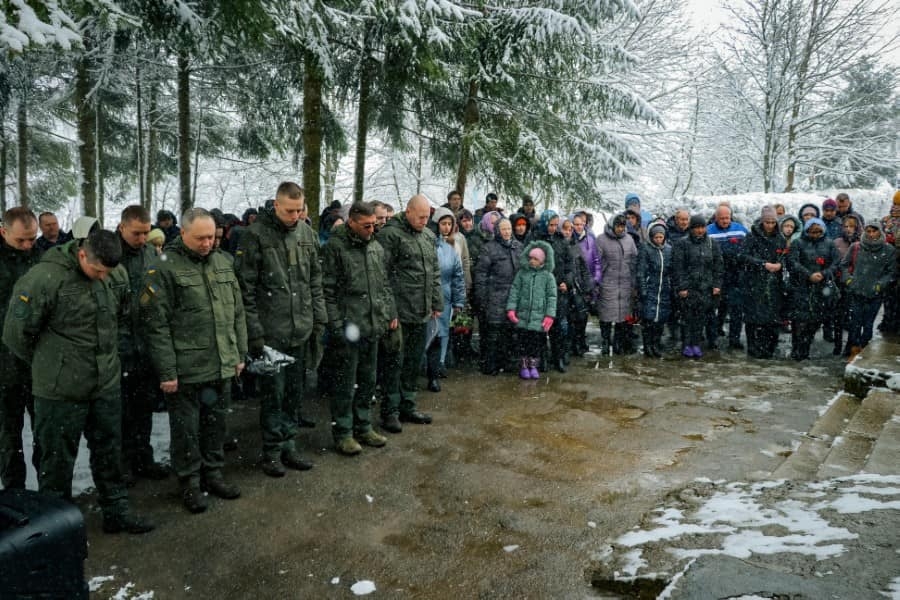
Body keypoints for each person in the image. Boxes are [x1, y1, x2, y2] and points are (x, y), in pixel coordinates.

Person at [3, 229, 153, 533]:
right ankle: (56, 528)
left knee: (109, 452)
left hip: (105, 384)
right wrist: (51, 363)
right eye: (97, 270)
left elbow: (122, 315)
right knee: (56, 462)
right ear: (82, 254)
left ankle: (116, 511)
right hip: (60, 391)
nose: (102, 277)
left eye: (107, 272)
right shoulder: (44, 278)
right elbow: (15, 335)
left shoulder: (115, 273)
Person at [141, 208, 247, 513]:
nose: (206, 243)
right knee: (186, 430)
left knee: (216, 425)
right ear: (183, 234)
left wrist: (238, 353)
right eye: (200, 237)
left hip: (220, 362)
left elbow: (236, 312)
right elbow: (155, 324)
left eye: (211, 237)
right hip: (186, 369)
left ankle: (213, 474)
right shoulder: (163, 268)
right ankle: (188, 482)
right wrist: (167, 370)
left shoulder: (223, 262)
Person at [235, 182, 325, 477]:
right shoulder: (255, 236)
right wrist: (254, 333)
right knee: (273, 395)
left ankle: (289, 445)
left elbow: (314, 281)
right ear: (275, 205)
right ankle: (272, 451)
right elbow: (245, 290)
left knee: (294, 394)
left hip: (301, 328)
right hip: (271, 333)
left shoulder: (307, 234)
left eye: (300, 210)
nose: (295, 216)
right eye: (289, 210)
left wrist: (318, 319)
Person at [321, 202, 395, 456]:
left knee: (367, 380)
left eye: (374, 225)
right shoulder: (335, 248)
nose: (372, 230)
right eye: (366, 226)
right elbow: (327, 291)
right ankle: (343, 432)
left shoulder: (375, 247)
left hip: (372, 326)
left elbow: (383, 285)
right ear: (351, 222)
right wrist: (336, 326)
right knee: (345, 384)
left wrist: (386, 315)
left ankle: (363, 426)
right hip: (348, 328)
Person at [377, 194, 443, 433]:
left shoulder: (427, 236)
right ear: (408, 211)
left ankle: (408, 404)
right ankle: (390, 411)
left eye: (428, 217)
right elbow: (381, 276)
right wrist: (390, 310)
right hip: (400, 313)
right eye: (421, 216)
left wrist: (437, 302)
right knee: (395, 363)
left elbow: (433, 272)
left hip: (421, 311)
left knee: (414, 361)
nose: (425, 221)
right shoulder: (390, 235)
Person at [117, 206, 169, 483]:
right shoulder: (110, 255)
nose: (141, 238)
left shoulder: (151, 254)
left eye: (146, 233)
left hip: (146, 346)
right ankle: (123, 465)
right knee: (121, 414)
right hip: (120, 346)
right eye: (136, 233)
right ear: (122, 227)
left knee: (144, 409)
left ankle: (143, 458)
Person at [0, 207, 41, 490]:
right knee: (8, 435)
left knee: (45, 432)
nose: (28, 246)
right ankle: (15, 494)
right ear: (3, 232)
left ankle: (50, 492)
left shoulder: (41, 259)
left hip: (38, 361)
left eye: (32, 239)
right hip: (4, 364)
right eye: (21, 241)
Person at [473, 217, 522, 375]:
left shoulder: (518, 247)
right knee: (493, 334)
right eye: (504, 229)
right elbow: (480, 276)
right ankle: (490, 365)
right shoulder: (489, 248)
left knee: (510, 333)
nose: (507, 232)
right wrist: (482, 299)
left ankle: (507, 363)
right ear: (497, 231)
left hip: (514, 297)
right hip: (495, 297)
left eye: (509, 229)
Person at [786, 218, 839, 361]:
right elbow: (792, 261)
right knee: (798, 320)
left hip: (820, 288)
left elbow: (836, 263)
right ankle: (796, 349)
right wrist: (808, 275)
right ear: (807, 230)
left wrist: (823, 274)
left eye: (818, 232)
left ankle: (805, 349)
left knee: (814, 321)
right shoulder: (798, 243)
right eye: (812, 231)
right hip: (801, 286)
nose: (815, 234)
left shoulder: (829, 244)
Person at [840, 223, 895, 358]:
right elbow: (843, 266)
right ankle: (853, 351)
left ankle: (864, 350)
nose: (871, 234)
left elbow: (891, 272)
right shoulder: (856, 247)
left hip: (875, 294)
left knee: (868, 323)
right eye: (868, 231)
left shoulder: (888, 250)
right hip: (856, 291)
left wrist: (879, 285)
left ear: (880, 232)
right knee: (855, 323)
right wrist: (849, 280)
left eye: (874, 231)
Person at [671, 215, 723, 358]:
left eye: (702, 227)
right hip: (689, 288)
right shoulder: (682, 244)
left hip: (705, 288)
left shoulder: (712, 244)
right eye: (697, 228)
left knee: (700, 318)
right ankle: (686, 344)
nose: (700, 230)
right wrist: (681, 287)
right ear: (691, 228)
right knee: (687, 318)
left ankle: (696, 344)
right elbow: (677, 268)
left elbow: (718, 266)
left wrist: (717, 284)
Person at [426, 208, 466, 392]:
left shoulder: (451, 249)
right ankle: (425, 367)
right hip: (425, 297)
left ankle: (437, 368)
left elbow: (458, 276)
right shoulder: (427, 246)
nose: (446, 227)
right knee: (427, 334)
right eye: (443, 223)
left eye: (449, 224)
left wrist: (459, 301)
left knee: (442, 333)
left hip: (446, 297)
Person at [740, 206, 786, 359]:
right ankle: (753, 348)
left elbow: (786, 257)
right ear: (762, 221)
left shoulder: (780, 238)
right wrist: (762, 264)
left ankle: (769, 348)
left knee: (772, 318)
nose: (770, 225)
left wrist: (780, 265)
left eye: (773, 222)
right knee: (753, 318)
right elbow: (744, 256)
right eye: (767, 222)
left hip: (774, 283)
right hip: (754, 281)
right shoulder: (751, 237)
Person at [506, 242, 557, 379]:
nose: (532, 261)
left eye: (535, 259)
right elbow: (515, 291)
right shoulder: (522, 273)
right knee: (523, 342)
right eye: (531, 258)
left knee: (535, 343)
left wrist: (549, 315)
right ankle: (523, 365)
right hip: (523, 315)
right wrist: (511, 309)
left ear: (542, 261)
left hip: (538, 317)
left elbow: (552, 297)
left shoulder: (548, 276)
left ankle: (533, 365)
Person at [532, 210, 574, 371]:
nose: (553, 228)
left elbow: (570, 265)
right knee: (541, 327)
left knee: (558, 327)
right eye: (551, 225)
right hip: (540, 290)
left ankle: (558, 358)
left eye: (556, 225)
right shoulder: (535, 239)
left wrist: (567, 282)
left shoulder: (561, 241)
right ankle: (541, 358)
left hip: (558, 289)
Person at [707, 204, 748, 350]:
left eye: (727, 218)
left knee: (736, 309)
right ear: (716, 218)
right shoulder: (708, 231)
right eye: (722, 218)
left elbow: (749, 246)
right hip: (716, 275)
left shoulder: (740, 229)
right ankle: (712, 338)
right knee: (714, 308)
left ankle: (734, 339)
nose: (725, 221)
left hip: (736, 274)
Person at [596, 213, 638, 355]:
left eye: (622, 226)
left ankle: (618, 342)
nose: (620, 229)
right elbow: (597, 263)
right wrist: (598, 281)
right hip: (608, 282)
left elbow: (634, 260)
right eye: (618, 226)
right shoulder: (601, 240)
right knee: (606, 315)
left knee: (623, 316)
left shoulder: (629, 240)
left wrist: (634, 282)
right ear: (612, 225)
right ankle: (605, 341)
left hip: (625, 283)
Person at [636, 221, 673, 358]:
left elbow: (671, 270)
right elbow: (641, 271)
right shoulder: (645, 249)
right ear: (651, 237)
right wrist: (643, 289)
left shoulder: (668, 249)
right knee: (649, 320)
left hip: (663, 289)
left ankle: (656, 344)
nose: (658, 240)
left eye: (661, 237)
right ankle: (647, 346)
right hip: (651, 287)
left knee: (661, 320)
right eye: (656, 237)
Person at [831, 214, 862, 354]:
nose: (848, 229)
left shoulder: (862, 243)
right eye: (846, 226)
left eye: (851, 226)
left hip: (856, 285)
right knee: (838, 317)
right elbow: (832, 262)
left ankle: (849, 345)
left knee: (853, 318)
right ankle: (837, 345)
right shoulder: (837, 242)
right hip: (839, 284)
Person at [572, 212, 601, 356]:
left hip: (587, 283)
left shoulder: (590, 240)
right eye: (576, 224)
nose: (578, 227)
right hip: (575, 282)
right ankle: (574, 343)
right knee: (574, 315)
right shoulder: (570, 240)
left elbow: (596, 261)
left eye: (581, 224)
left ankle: (581, 341)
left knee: (584, 315)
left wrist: (596, 279)